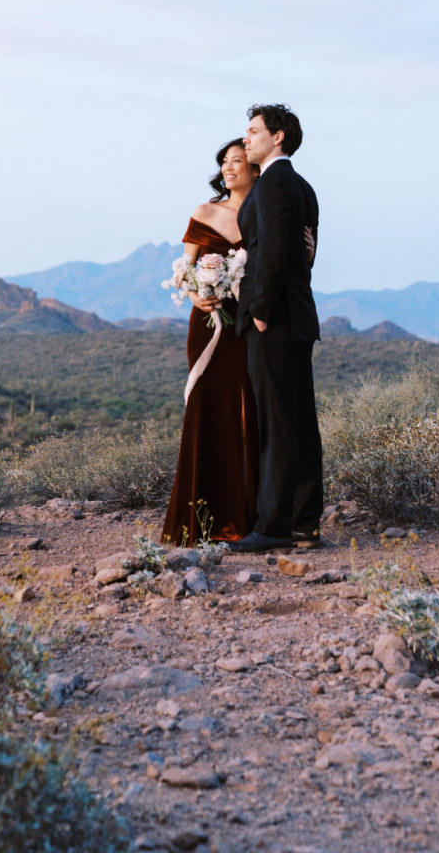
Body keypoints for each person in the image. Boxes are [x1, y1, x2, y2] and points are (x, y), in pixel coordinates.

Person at [228, 103, 323, 555]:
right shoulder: (303, 187)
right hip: (300, 317)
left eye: (253, 131)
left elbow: (272, 255)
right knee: (301, 421)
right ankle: (305, 523)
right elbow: (306, 253)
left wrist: (261, 309)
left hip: (274, 320)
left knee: (277, 424)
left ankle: (273, 526)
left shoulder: (269, 186)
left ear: (278, 136)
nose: (246, 139)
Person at [160, 139, 260, 545]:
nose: (229, 167)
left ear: (255, 168)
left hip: (248, 327)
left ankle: (244, 518)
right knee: (206, 411)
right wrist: (195, 295)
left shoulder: (262, 215)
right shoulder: (205, 212)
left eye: (238, 161)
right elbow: (184, 271)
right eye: (224, 162)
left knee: (245, 412)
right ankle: (198, 520)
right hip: (208, 324)